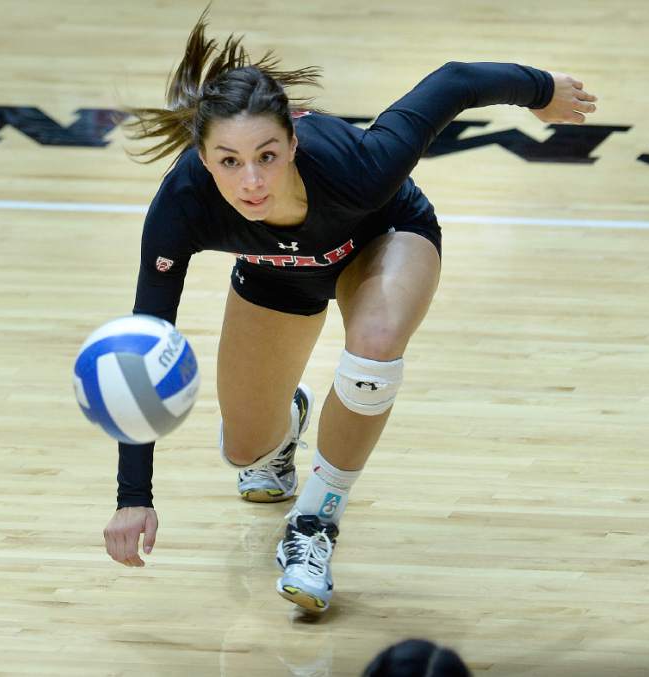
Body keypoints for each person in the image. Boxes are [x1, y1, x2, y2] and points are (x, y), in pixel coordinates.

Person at [102, 8, 596, 614]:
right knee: (244, 451)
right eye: (229, 161)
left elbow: (457, 79)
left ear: (293, 141)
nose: (252, 181)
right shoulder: (182, 206)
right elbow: (144, 349)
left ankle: (315, 523)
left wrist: (542, 90)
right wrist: (134, 495)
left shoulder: (360, 166)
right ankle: (285, 426)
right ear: (202, 160)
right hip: (278, 273)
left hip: (382, 239)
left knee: (375, 345)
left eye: (267, 155)